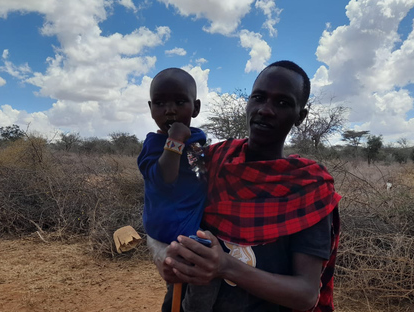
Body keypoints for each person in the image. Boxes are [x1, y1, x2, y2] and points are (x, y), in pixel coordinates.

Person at [157, 61, 341, 312]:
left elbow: (306, 295)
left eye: (283, 103)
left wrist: (225, 266)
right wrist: (168, 260)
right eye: (259, 97)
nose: (266, 110)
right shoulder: (207, 160)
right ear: (248, 102)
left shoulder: (309, 187)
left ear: (300, 116)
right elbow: (165, 205)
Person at [137, 67, 220, 312]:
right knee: (203, 278)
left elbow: (200, 178)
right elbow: (165, 179)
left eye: (179, 101)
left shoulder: (196, 144)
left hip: (187, 227)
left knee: (179, 287)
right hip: (166, 232)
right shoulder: (153, 145)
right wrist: (175, 141)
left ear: (195, 108)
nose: (169, 109)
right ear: (150, 107)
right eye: (160, 103)